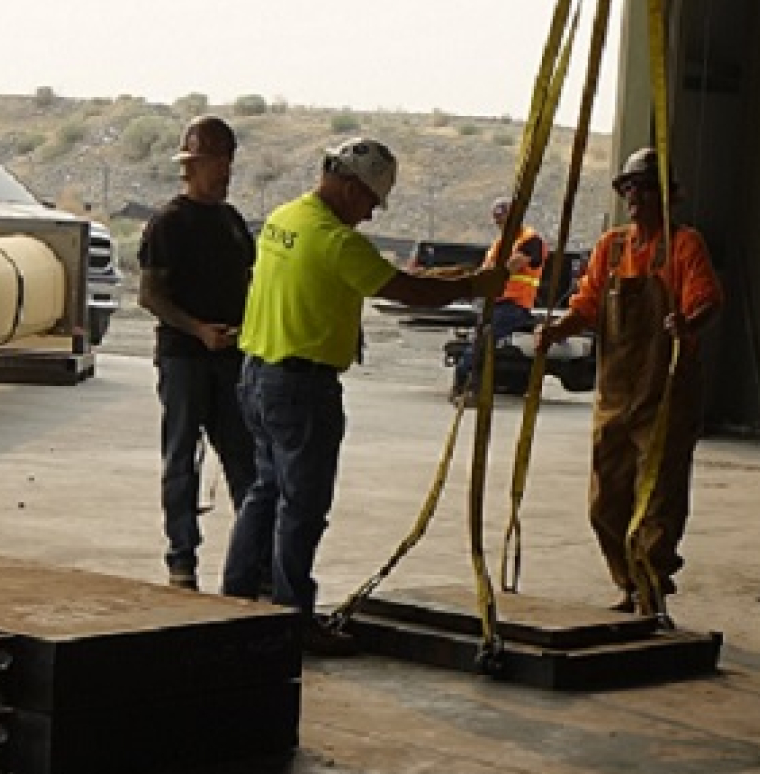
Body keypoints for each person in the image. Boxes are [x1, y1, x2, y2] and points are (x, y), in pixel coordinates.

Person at [221, 138, 508, 648]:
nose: (371, 215)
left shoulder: (286, 219)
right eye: (372, 202)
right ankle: (293, 616)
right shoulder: (337, 241)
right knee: (301, 506)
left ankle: (234, 600)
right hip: (301, 387)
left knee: (264, 492)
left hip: (257, 374)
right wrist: (475, 286)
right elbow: (407, 291)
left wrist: (459, 277)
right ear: (352, 186)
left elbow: (398, 278)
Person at [536, 147, 723, 613]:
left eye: (645, 188)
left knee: (658, 501)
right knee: (606, 502)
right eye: (630, 188)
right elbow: (588, 303)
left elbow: (708, 299)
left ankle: (652, 590)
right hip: (617, 394)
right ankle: (629, 582)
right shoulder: (612, 247)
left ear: (669, 196)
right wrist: (559, 328)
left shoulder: (684, 245)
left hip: (666, 395)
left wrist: (689, 323)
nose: (635, 196)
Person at [138, 116, 258, 591]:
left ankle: (254, 562)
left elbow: (251, 284)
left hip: (231, 358)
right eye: (217, 162)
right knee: (181, 458)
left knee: (245, 461)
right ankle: (181, 559)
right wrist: (198, 330)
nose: (226, 172)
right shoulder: (170, 223)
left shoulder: (231, 223)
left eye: (230, 161)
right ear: (193, 165)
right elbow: (150, 295)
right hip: (185, 359)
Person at [451, 197, 546, 401]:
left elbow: (512, 265)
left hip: (514, 304)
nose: (500, 223)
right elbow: (487, 271)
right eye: (498, 219)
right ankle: (467, 386)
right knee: (481, 344)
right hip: (493, 303)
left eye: (503, 218)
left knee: (483, 342)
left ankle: (466, 383)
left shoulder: (530, 239)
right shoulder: (499, 244)